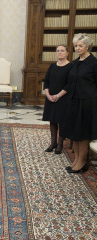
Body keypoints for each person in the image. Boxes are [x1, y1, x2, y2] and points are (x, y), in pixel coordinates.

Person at [60, 33, 97, 173]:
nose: (78, 48)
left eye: (80, 45)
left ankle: (82, 161)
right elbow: (69, 83)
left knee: (83, 134)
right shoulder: (74, 63)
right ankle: (76, 160)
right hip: (73, 102)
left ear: (87, 46)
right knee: (74, 133)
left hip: (87, 103)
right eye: (76, 45)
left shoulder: (94, 63)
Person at [42, 45, 72, 154]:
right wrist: (48, 95)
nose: (59, 53)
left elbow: (70, 84)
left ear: (67, 53)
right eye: (58, 51)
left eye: (62, 51)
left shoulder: (71, 66)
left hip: (63, 98)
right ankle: (53, 142)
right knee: (52, 120)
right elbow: (46, 81)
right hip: (51, 98)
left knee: (62, 121)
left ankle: (60, 145)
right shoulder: (52, 66)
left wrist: (58, 95)